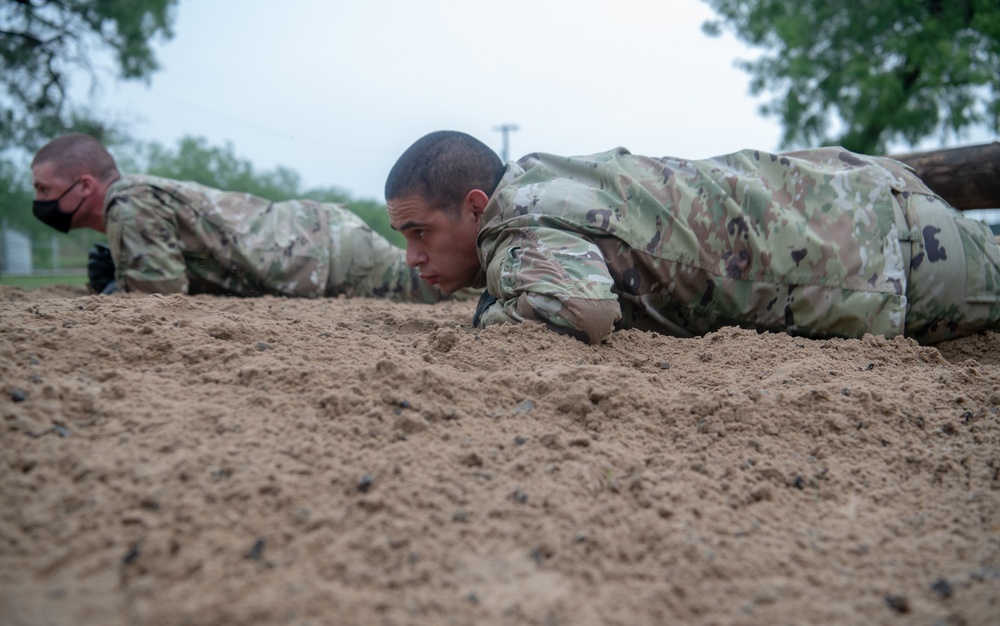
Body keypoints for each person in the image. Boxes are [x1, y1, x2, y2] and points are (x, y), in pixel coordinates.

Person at [385, 130, 1000, 344]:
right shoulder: (545, 181)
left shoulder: (516, 222)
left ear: (474, 208)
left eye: (420, 231)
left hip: (891, 256)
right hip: (862, 207)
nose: (413, 256)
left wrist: (493, 309)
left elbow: (583, 310)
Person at [31, 133, 441, 302]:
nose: (40, 200)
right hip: (320, 246)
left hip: (329, 256)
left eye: (44, 190)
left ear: (85, 186)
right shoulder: (135, 198)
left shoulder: (127, 201)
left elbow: (158, 300)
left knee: (444, 289)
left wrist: (112, 289)